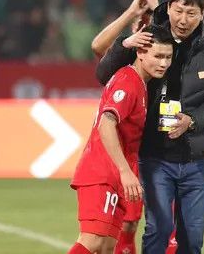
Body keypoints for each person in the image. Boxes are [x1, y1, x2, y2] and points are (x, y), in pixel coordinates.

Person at [95, 0, 204, 254]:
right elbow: (103, 75)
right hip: (156, 156)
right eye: (178, 11)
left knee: (192, 237)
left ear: (202, 13)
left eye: (191, 13)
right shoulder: (150, 40)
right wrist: (125, 45)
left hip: (196, 158)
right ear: (168, 8)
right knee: (158, 229)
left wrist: (191, 120)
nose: (183, 19)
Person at [68, 24, 174, 254]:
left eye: (168, 57)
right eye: (158, 56)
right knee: (93, 242)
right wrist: (125, 172)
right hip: (103, 173)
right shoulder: (128, 80)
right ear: (141, 52)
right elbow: (107, 123)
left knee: (106, 247)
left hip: (116, 176)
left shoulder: (143, 84)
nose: (163, 63)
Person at [90, 0, 177, 254]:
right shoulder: (126, 61)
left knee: (170, 225)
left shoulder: (165, 56)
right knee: (126, 225)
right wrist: (131, 15)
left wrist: (156, 5)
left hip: (159, 149)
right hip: (130, 151)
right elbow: (97, 46)